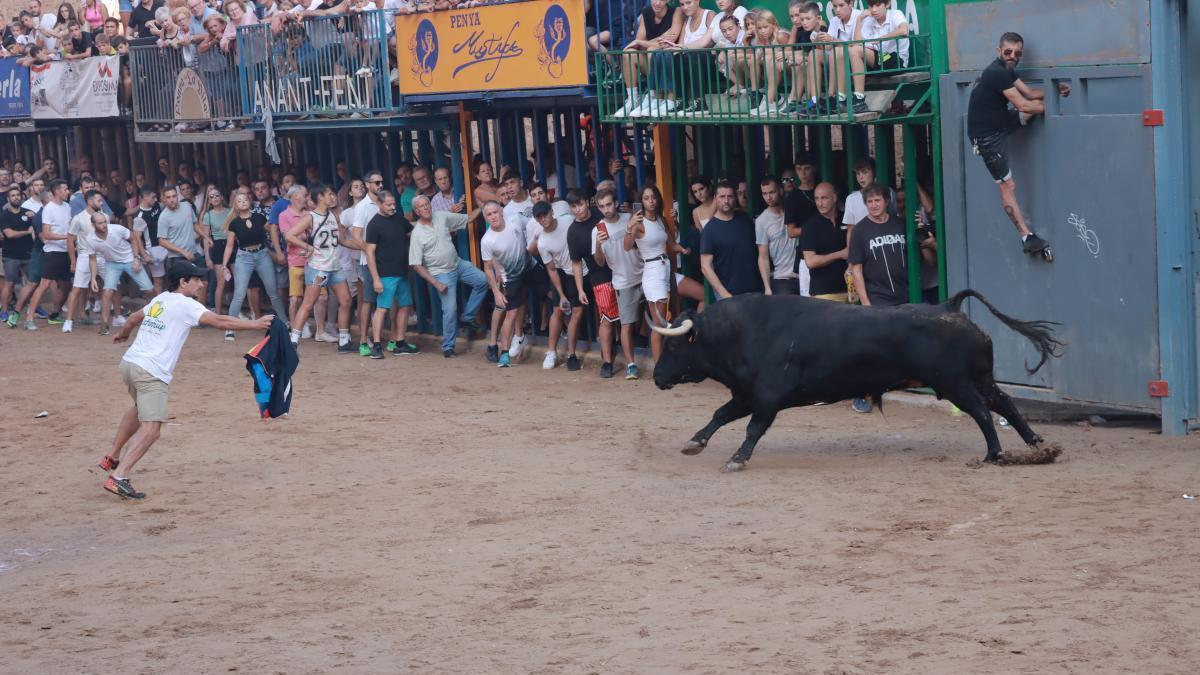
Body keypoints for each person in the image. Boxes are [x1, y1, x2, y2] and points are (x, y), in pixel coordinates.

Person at [99, 260, 272, 500]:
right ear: (183, 282)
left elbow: (133, 319)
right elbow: (220, 322)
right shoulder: (186, 304)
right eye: (197, 280)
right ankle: (119, 476)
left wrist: (123, 335)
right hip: (151, 371)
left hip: (130, 364)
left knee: (140, 409)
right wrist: (255, 323)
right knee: (152, 429)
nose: (201, 284)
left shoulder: (160, 299)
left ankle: (113, 455)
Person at [967, 31, 1069, 257]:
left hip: (1002, 123)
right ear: (998, 52)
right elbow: (1023, 105)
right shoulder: (996, 73)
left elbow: (1031, 93)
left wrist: (1054, 91)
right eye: (1008, 52)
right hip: (987, 138)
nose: (1013, 56)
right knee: (1007, 186)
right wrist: (1051, 107)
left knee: (1031, 111)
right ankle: (1026, 237)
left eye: (1017, 53)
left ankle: (1027, 237)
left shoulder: (1006, 71)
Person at [408, 194, 486, 358]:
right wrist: (436, 283)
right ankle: (448, 347)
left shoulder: (441, 216)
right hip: (440, 274)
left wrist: (484, 206)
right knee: (450, 310)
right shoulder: (417, 233)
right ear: (416, 211)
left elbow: (468, 218)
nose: (426, 208)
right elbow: (416, 265)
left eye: (427, 204)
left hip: (457, 264)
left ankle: (468, 316)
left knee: (483, 281)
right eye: (421, 206)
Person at [284, 185, 355, 353]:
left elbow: (342, 240)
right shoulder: (311, 217)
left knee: (346, 300)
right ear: (320, 197)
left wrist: (363, 246)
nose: (333, 197)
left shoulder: (334, 215)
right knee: (308, 303)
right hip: (319, 268)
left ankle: (344, 341)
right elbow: (289, 235)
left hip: (334, 266)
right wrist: (307, 247)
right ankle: (293, 340)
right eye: (330, 194)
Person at [590, 187, 642, 379]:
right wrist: (597, 245)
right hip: (621, 280)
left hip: (645, 273)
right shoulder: (597, 230)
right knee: (626, 325)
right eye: (602, 206)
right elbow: (600, 263)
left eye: (609, 204)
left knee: (654, 319)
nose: (606, 209)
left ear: (615, 203)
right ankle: (631, 365)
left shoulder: (629, 217)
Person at [221, 192, 289, 340]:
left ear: (250, 202)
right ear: (236, 206)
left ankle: (285, 322)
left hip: (262, 254)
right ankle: (230, 328)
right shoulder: (234, 223)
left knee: (273, 291)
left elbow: (272, 229)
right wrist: (224, 264)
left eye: (245, 199)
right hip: (244, 257)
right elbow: (229, 246)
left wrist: (279, 244)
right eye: (239, 201)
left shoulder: (259, 217)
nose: (243, 202)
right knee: (239, 293)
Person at [624, 184, 679, 366]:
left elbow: (671, 243)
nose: (651, 201)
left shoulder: (661, 219)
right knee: (659, 323)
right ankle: (659, 364)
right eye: (646, 198)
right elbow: (627, 246)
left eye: (653, 197)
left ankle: (663, 361)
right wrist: (630, 227)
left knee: (662, 320)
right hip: (653, 270)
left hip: (665, 267)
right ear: (641, 202)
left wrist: (684, 248)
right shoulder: (638, 223)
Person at [527, 201, 585, 371]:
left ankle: (571, 354)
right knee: (558, 311)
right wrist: (561, 295)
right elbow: (551, 270)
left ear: (552, 212)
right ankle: (551, 351)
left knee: (578, 311)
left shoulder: (568, 220)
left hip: (582, 269)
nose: (543, 219)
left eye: (545, 214)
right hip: (562, 273)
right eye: (539, 217)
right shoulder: (543, 242)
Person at [364, 191, 418, 359]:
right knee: (382, 308)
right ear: (380, 204)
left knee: (405, 305)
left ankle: (400, 343)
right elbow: (370, 253)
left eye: (393, 204)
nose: (393, 207)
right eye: (388, 204)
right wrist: (376, 279)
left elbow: (412, 230)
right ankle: (377, 346)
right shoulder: (374, 224)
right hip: (386, 273)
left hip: (402, 271)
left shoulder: (398, 218)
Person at [480, 200, 531, 368]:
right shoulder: (487, 240)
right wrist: (496, 292)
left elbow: (535, 225)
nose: (493, 216)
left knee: (555, 296)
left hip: (532, 266)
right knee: (510, 313)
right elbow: (487, 268)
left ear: (501, 211)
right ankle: (504, 354)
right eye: (489, 214)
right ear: (485, 218)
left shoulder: (515, 219)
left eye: (495, 212)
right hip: (512, 277)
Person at [610, 0, 681, 118]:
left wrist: (644, 43)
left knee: (652, 50)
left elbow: (670, 41)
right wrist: (649, 42)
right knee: (628, 53)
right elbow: (638, 44)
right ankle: (633, 100)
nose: (657, 3)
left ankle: (654, 97)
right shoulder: (646, 13)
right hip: (651, 63)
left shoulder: (676, 11)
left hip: (670, 65)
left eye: (662, 0)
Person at [86, 211, 153, 335]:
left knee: (149, 289)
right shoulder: (90, 239)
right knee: (107, 292)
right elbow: (92, 258)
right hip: (112, 264)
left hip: (129, 259)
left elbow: (134, 238)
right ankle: (105, 324)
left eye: (104, 222)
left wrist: (137, 258)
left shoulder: (117, 229)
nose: (104, 225)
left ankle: (154, 317)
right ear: (93, 225)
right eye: (100, 223)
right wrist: (94, 278)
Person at [21, 179, 72, 331]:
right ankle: (29, 318)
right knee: (44, 285)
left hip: (65, 251)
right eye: (65, 189)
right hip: (52, 252)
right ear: (57, 191)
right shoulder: (49, 209)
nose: (67, 191)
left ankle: (55, 314)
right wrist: (67, 237)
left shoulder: (67, 206)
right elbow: (46, 234)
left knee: (66, 286)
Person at [848, 183, 908, 308]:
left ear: (886, 202)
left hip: (906, 295)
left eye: (877, 200)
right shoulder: (859, 230)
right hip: (878, 299)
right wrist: (865, 303)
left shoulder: (900, 224)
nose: (873, 205)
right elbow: (856, 270)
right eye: (869, 201)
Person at [700, 180, 762, 299]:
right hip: (729, 294)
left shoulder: (745, 219)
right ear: (715, 198)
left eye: (730, 196)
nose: (726, 200)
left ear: (735, 198)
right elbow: (705, 267)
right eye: (722, 197)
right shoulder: (710, 229)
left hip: (756, 290)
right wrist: (724, 294)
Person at [812, 0, 867, 115]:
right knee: (814, 54)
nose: (837, 10)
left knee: (837, 50)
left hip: (857, 59)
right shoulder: (834, 20)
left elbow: (859, 45)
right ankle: (814, 100)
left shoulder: (860, 16)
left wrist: (832, 40)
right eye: (835, 6)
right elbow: (827, 48)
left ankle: (837, 97)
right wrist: (820, 39)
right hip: (837, 59)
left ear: (850, 4)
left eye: (841, 5)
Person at [63, 188, 107, 332]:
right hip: (84, 256)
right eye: (98, 200)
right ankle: (68, 321)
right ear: (89, 201)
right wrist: (73, 261)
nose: (101, 202)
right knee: (77, 288)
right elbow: (70, 239)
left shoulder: (104, 216)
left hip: (103, 256)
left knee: (114, 285)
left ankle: (118, 316)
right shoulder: (78, 218)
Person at [351, 170, 383, 355]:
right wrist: (369, 252)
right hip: (368, 261)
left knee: (388, 300)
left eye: (381, 182)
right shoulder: (363, 207)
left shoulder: (383, 201)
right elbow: (355, 235)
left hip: (385, 260)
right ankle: (363, 340)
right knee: (368, 300)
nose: (380, 185)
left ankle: (393, 339)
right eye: (376, 183)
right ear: (368, 185)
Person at [800, 182, 849, 302]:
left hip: (851, 290)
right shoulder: (810, 226)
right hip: (824, 293)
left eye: (824, 198)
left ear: (834, 198)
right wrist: (840, 254)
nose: (820, 203)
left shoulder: (847, 219)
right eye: (817, 199)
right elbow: (810, 261)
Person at [755, 177, 800, 295]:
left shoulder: (794, 210)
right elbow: (763, 257)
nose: (768, 197)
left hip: (805, 274)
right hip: (782, 279)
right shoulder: (761, 221)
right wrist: (767, 287)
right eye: (764, 194)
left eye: (772, 192)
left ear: (780, 190)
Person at [0, 186, 36, 326]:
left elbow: (37, 228)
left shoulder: (29, 213)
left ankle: (33, 308)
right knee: (9, 284)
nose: (16, 197)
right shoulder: (4, 215)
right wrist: (27, 232)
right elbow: (9, 234)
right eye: (13, 195)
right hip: (11, 255)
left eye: (18, 195)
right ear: (8, 199)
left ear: (22, 197)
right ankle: (4, 311)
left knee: (33, 283)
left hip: (28, 254)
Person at [856, 0, 909, 71]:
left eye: (878, 5)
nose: (874, 10)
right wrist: (859, 19)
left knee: (856, 51)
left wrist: (881, 39)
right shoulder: (869, 20)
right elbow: (857, 43)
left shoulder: (895, 14)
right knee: (843, 52)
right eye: (871, 6)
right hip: (880, 57)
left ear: (887, 4)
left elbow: (904, 30)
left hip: (897, 60)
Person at [157, 185, 200, 265]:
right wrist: (183, 252)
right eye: (168, 197)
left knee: (202, 276)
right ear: (164, 199)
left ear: (177, 196)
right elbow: (161, 241)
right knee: (184, 278)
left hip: (193, 252)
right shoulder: (163, 217)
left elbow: (195, 224)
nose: (172, 200)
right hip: (177, 257)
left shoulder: (187, 205)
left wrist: (206, 237)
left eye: (173, 196)